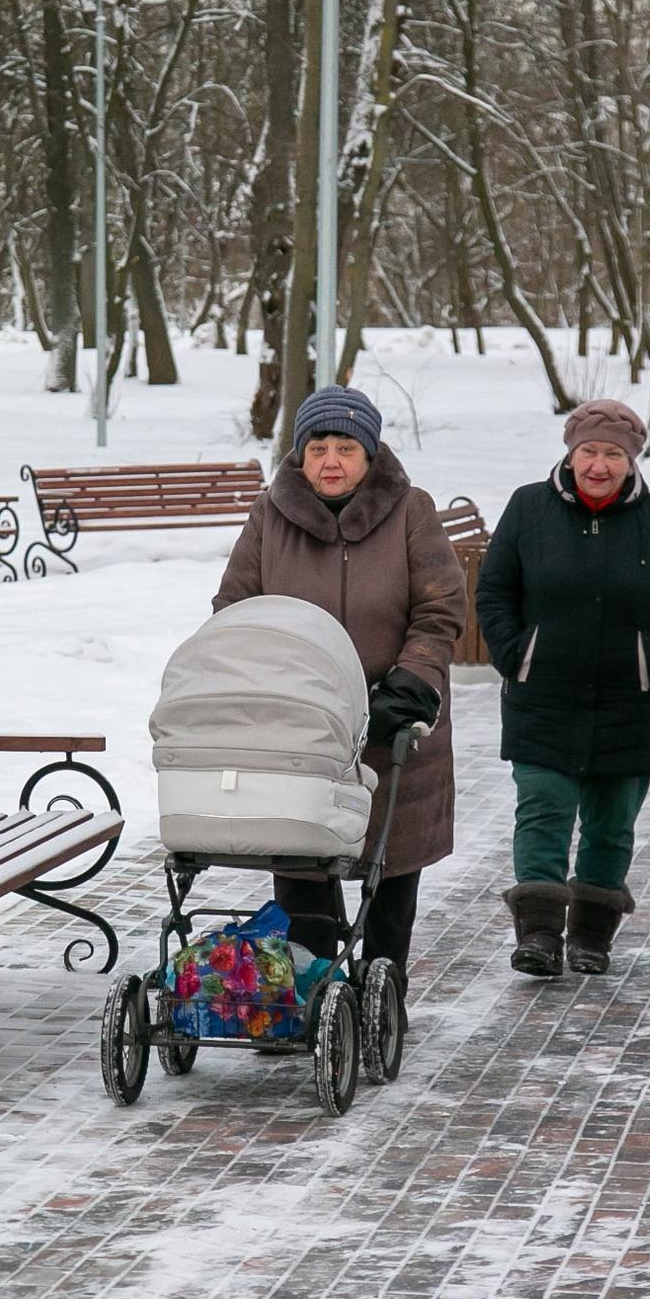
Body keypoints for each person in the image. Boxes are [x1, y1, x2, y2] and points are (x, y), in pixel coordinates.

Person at [215, 385, 465, 974]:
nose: (331, 461)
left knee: (389, 870)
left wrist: (412, 680)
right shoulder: (269, 515)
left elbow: (441, 607)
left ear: (370, 455)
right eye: (318, 446)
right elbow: (234, 607)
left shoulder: (411, 511)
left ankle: (383, 993)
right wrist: (267, 683)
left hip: (393, 722)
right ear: (300, 454)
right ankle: (306, 996)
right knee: (303, 868)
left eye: (346, 447)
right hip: (298, 726)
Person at [476, 400, 650, 977]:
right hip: (543, 697)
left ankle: (591, 937)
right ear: (570, 453)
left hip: (629, 703)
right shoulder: (529, 509)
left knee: (611, 822)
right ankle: (538, 935)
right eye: (588, 452)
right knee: (543, 808)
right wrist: (516, 653)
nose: (598, 465)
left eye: (612, 454)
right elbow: (494, 590)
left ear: (631, 461)